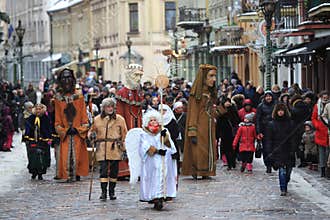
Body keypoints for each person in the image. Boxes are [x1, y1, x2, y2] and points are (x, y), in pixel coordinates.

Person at [126, 110, 177, 210]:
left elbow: (170, 144)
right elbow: (144, 147)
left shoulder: (164, 131)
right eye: (151, 120)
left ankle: (162, 196)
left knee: (163, 176)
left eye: (155, 120)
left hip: (164, 159)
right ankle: (154, 197)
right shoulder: (144, 134)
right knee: (153, 178)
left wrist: (165, 138)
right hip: (151, 160)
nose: (153, 122)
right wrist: (156, 151)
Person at [182, 64, 218, 179]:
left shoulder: (210, 93)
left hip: (209, 128)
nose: (214, 79)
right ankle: (198, 171)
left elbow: (212, 112)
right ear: (204, 77)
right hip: (199, 128)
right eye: (211, 76)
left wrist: (224, 108)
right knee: (199, 151)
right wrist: (192, 131)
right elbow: (193, 113)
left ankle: (207, 171)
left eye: (214, 76)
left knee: (208, 151)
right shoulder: (196, 95)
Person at [54, 68, 90, 182]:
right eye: (64, 77)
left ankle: (77, 173)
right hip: (65, 134)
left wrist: (79, 129)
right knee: (65, 156)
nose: (67, 80)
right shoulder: (58, 99)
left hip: (77, 134)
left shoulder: (79, 97)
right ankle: (66, 174)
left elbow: (85, 118)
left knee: (78, 155)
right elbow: (57, 121)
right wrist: (63, 131)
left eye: (69, 77)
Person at [88, 98, 128, 201]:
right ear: (103, 108)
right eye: (108, 107)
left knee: (114, 172)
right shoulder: (97, 119)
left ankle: (112, 192)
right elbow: (91, 131)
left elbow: (124, 134)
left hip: (115, 148)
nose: (110, 109)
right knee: (103, 171)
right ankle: (103, 192)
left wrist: (124, 149)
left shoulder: (120, 119)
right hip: (102, 148)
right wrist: (92, 135)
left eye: (111, 106)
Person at [116, 64, 144, 177]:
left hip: (137, 124)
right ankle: (125, 171)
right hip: (126, 124)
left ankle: (138, 170)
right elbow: (119, 112)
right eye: (135, 75)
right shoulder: (122, 92)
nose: (138, 78)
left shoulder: (138, 93)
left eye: (140, 76)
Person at [265, 103, 295, 196]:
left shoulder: (290, 123)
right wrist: (269, 151)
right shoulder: (271, 124)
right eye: (279, 110)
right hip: (277, 149)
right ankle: (283, 188)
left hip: (288, 149)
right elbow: (269, 139)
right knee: (281, 170)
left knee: (288, 171)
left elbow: (293, 137)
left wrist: (293, 148)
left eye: (282, 110)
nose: (280, 112)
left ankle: (285, 181)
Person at [24, 104, 51, 180]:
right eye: (37, 109)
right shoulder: (30, 118)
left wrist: (48, 137)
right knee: (33, 157)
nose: (38, 111)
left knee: (42, 157)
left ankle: (40, 173)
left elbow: (48, 128)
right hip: (33, 140)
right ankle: (33, 172)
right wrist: (27, 137)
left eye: (40, 109)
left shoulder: (45, 118)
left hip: (43, 141)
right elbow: (27, 129)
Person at [256, 91, 275, 173]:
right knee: (266, 148)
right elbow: (258, 119)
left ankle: (273, 162)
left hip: (274, 129)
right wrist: (259, 131)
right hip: (265, 130)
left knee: (274, 147)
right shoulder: (261, 106)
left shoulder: (275, 105)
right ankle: (268, 165)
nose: (268, 98)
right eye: (267, 96)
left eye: (270, 96)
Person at [311, 91, 329, 177]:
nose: (325, 99)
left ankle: (328, 168)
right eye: (324, 97)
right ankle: (322, 169)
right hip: (320, 131)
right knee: (322, 152)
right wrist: (317, 125)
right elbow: (313, 118)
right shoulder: (317, 106)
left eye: (326, 97)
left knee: (328, 152)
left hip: (328, 131)